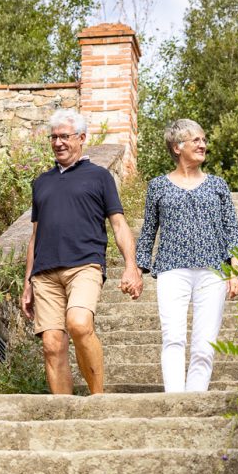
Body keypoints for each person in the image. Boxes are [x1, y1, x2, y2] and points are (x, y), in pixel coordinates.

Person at [21, 109, 143, 395]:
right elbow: (34, 236)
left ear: (82, 138)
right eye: (54, 137)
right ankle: (65, 412)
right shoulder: (41, 182)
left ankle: (98, 398)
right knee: (51, 344)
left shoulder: (99, 177)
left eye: (65, 136)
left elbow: (119, 223)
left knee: (78, 323)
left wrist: (130, 266)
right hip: (45, 273)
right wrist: (27, 282)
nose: (58, 143)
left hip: (84, 266)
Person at [136, 119, 238, 393]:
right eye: (196, 140)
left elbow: (232, 228)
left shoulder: (218, 185)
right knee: (173, 338)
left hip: (213, 270)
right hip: (172, 269)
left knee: (205, 344)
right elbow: (148, 231)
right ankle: (174, 401)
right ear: (176, 147)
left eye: (203, 139)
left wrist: (236, 269)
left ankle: (194, 400)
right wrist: (137, 269)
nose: (203, 144)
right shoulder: (158, 186)